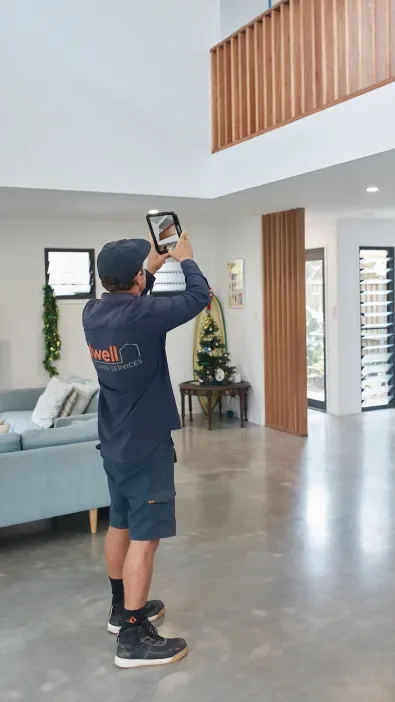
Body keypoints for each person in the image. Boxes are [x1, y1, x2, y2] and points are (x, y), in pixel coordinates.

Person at [82, 232, 210, 669]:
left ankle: (121, 610)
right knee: (145, 538)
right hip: (147, 443)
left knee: (119, 523)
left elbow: (132, 299)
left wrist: (149, 268)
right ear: (135, 278)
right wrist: (185, 259)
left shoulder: (92, 313)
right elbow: (197, 298)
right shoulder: (145, 315)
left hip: (114, 443)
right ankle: (134, 637)